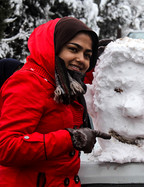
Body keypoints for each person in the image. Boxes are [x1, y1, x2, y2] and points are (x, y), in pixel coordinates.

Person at [0, 17, 110, 186]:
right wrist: (70, 139)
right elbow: (6, 147)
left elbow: (75, 83)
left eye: (87, 55)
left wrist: (105, 61)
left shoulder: (62, 81)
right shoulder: (29, 83)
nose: (82, 59)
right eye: (73, 49)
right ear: (53, 47)